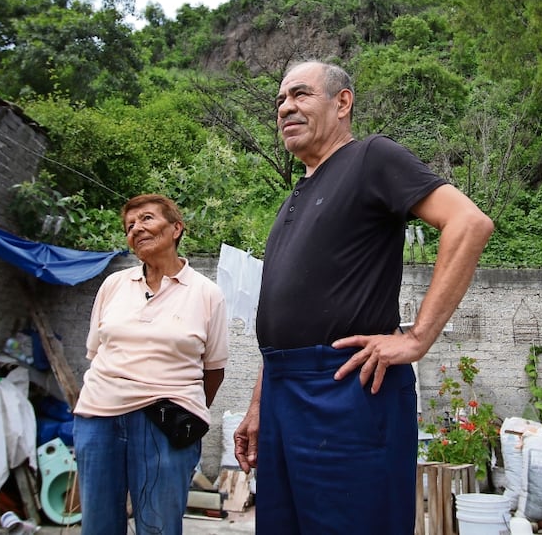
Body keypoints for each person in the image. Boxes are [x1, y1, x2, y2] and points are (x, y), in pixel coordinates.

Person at [234, 61, 494, 534]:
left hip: (346, 387)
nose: (285, 107)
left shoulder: (372, 157)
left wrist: (416, 340)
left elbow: (469, 223)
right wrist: (258, 404)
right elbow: (283, 313)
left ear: (343, 102)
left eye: (300, 95)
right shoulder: (294, 197)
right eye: (279, 101)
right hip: (282, 389)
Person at [73, 194, 228, 534]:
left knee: (158, 526)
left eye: (146, 219)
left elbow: (213, 369)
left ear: (176, 228)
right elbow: (97, 353)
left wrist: (186, 406)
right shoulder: (113, 285)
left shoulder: (206, 293)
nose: (136, 229)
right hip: (99, 418)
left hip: (166, 422)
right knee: (97, 525)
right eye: (129, 225)